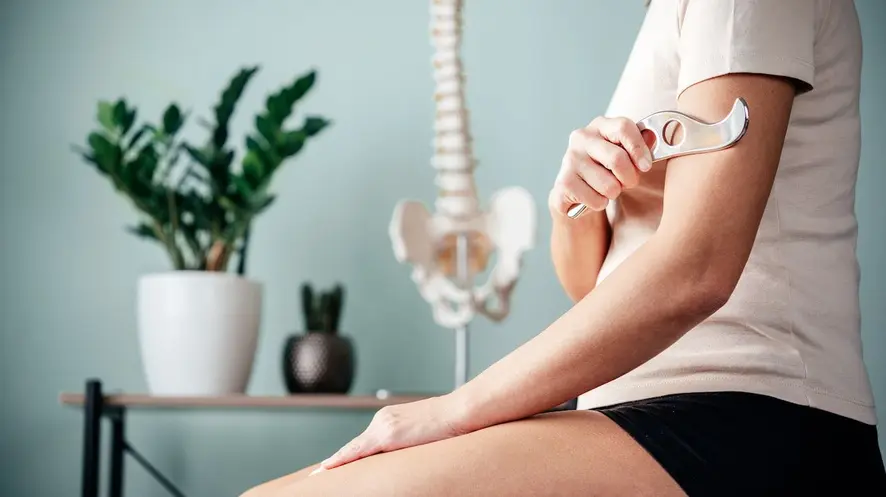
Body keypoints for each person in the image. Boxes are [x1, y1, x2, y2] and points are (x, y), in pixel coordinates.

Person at [243, 1, 886, 495]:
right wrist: (577, 206)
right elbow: (593, 288)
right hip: (643, 409)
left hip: (754, 415)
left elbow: (697, 272)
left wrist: (452, 410)